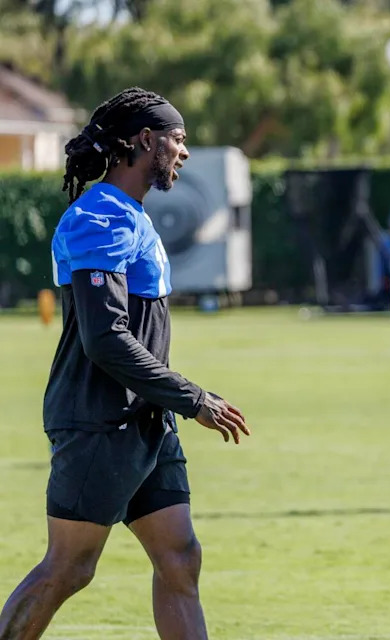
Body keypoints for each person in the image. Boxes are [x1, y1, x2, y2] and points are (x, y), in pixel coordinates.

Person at [0, 88, 250, 640]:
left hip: (144, 418)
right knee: (69, 568)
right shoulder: (98, 217)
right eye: (178, 139)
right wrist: (194, 399)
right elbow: (106, 339)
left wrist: (170, 402)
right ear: (144, 141)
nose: (184, 151)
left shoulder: (130, 215)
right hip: (99, 421)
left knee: (180, 556)